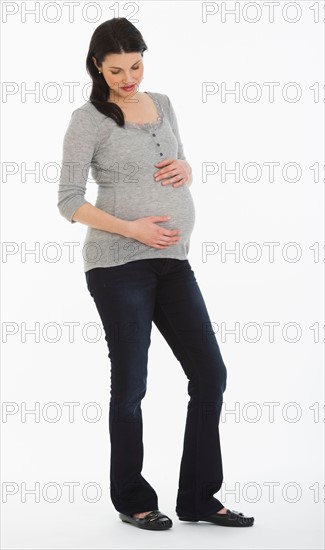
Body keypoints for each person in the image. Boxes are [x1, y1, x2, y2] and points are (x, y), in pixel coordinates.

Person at [58, 17, 254, 531]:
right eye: (117, 69)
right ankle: (132, 498)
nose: (129, 78)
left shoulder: (162, 103)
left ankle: (197, 497)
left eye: (136, 65)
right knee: (131, 385)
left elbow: (178, 161)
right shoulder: (88, 119)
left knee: (210, 373)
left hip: (173, 262)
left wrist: (187, 170)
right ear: (97, 67)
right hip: (117, 265)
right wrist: (132, 228)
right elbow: (68, 201)